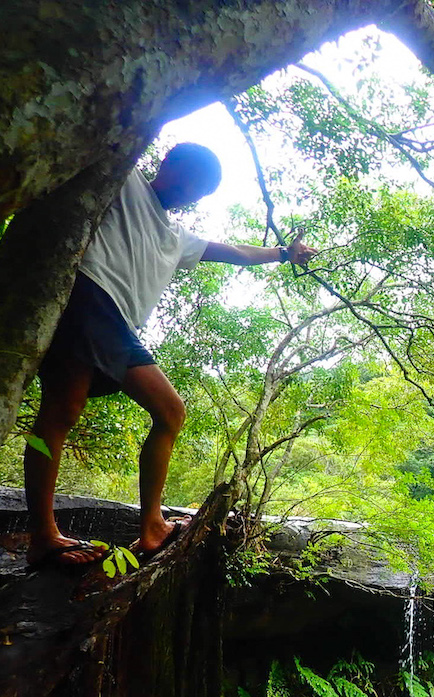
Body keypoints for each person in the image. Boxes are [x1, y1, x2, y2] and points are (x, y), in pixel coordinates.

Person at [25, 142, 315, 568]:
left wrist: (283, 253)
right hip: (88, 295)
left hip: (118, 322)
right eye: (191, 180)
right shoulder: (124, 180)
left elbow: (235, 253)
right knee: (63, 411)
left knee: (167, 412)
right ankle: (46, 536)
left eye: (200, 191)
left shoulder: (177, 238)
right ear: (167, 165)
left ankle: (150, 527)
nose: (191, 193)